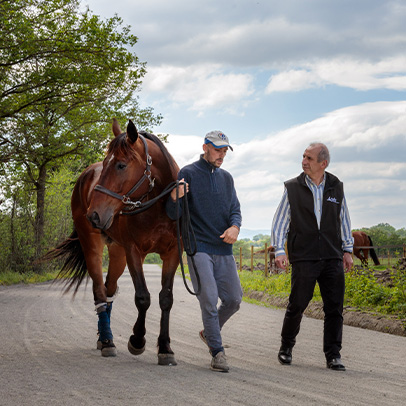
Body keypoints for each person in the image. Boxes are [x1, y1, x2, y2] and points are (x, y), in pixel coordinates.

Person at [271, 142, 353, 371]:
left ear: (323, 163)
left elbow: (343, 219)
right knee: (297, 304)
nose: (304, 161)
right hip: (304, 256)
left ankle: (333, 354)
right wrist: (279, 250)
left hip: (332, 256)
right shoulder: (292, 188)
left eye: (309, 158)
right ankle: (286, 347)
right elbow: (280, 221)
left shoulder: (336, 186)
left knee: (334, 308)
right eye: (303, 156)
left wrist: (347, 250)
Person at [166, 130, 242, 372]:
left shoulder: (227, 178)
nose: (221, 155)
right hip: (198, 248)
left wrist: (235, 226)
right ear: (205, 147)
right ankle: (217, 352)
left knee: (233, 299)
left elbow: (235, 209)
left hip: (224, 249)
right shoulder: (187, 173)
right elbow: (173, 214)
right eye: (217, 149)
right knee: (209, 299)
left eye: (224, 151)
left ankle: (208, 332)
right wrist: (174, 198)